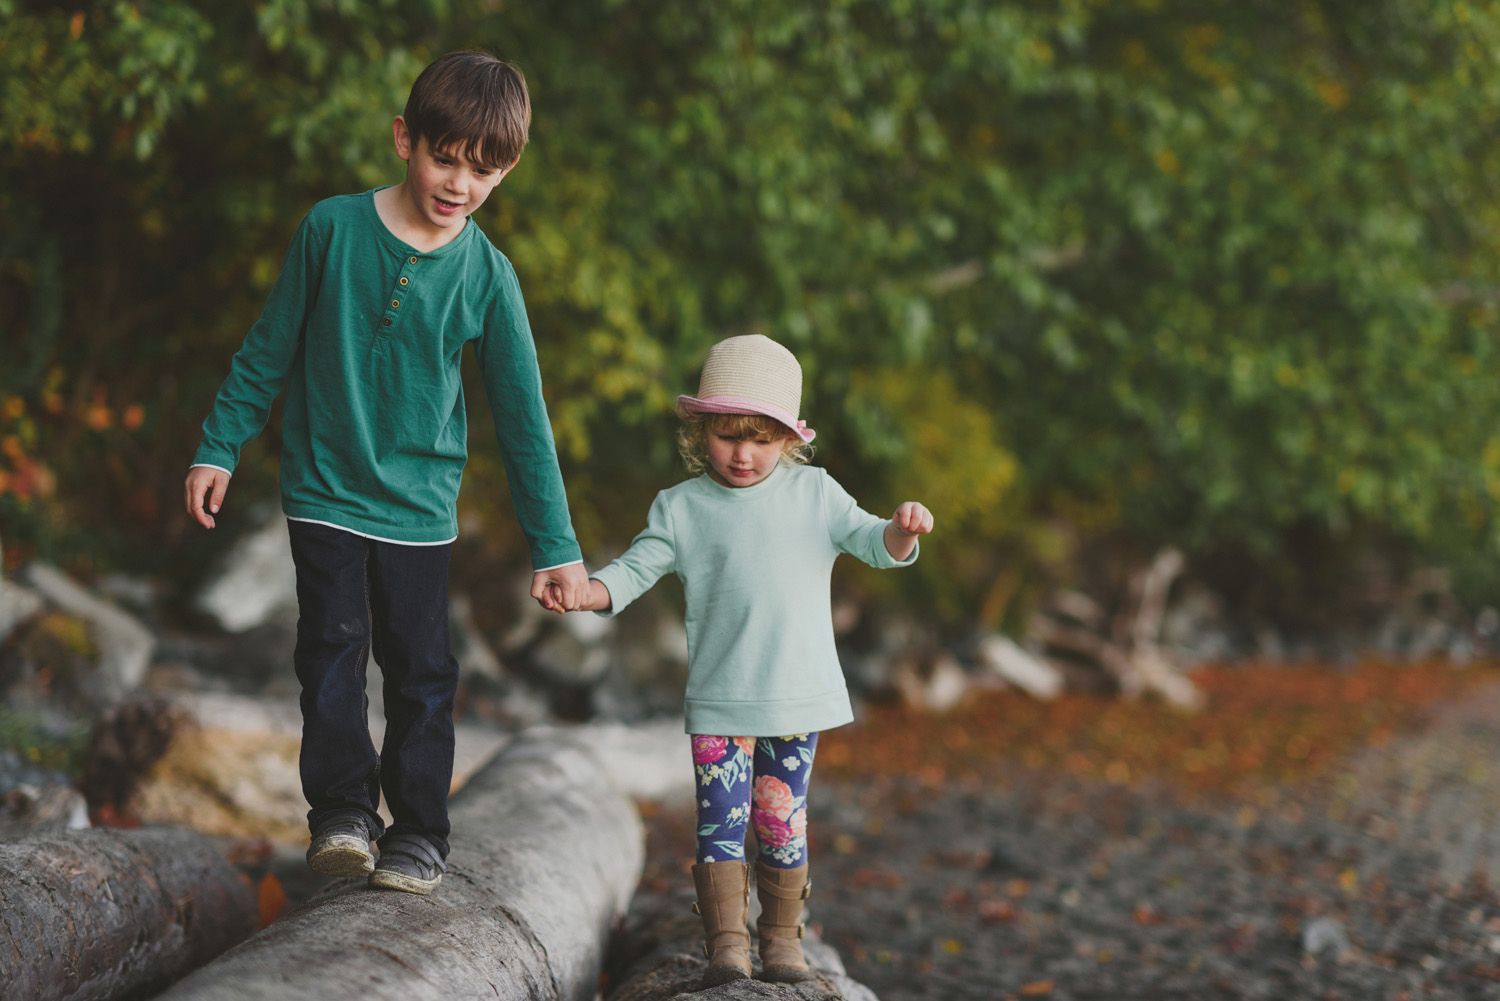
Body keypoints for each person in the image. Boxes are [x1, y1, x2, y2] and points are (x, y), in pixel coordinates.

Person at [182, 51, 589, 896]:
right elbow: (270, 347)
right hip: (325, 491)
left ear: (507, 169)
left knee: (420, 671)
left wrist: (557, 546)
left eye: (485, 170)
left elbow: (524, 422)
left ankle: (418, 833)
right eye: (445, 158)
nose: (459, 184)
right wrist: (220, 442)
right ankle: (340, 815)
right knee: (329, 655)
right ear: (406, 138)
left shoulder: (488, 277)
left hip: (420, 508)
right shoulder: (330, 229)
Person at [574, 334, 934, 985]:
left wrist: (902, 528)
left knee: (781, 817)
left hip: (796, 696)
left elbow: (874, 542)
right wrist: (589, 589)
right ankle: (727, 946)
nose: (743, 453)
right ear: (700, 430)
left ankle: (783, 940)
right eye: (728, 435)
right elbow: (634, 569)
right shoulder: (681, 508)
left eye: (762, 438)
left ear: (790, 440)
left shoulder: (816, 494)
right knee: (720, 822)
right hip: (720, 696)